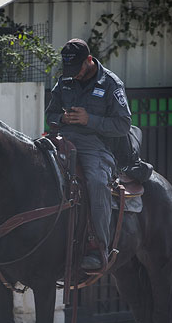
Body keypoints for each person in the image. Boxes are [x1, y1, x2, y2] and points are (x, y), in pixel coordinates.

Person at [46, 38, 133, 270]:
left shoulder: (111, 84)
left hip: (95, 147)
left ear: (89, 60)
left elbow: (123, 125)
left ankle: (98, 247)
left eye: (77, 70)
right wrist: (61, 118)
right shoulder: (64, 80)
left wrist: (89, 120)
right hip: (61, 140)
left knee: (95, 181)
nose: (73, 76)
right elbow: (50, 114)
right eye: (69, 71)